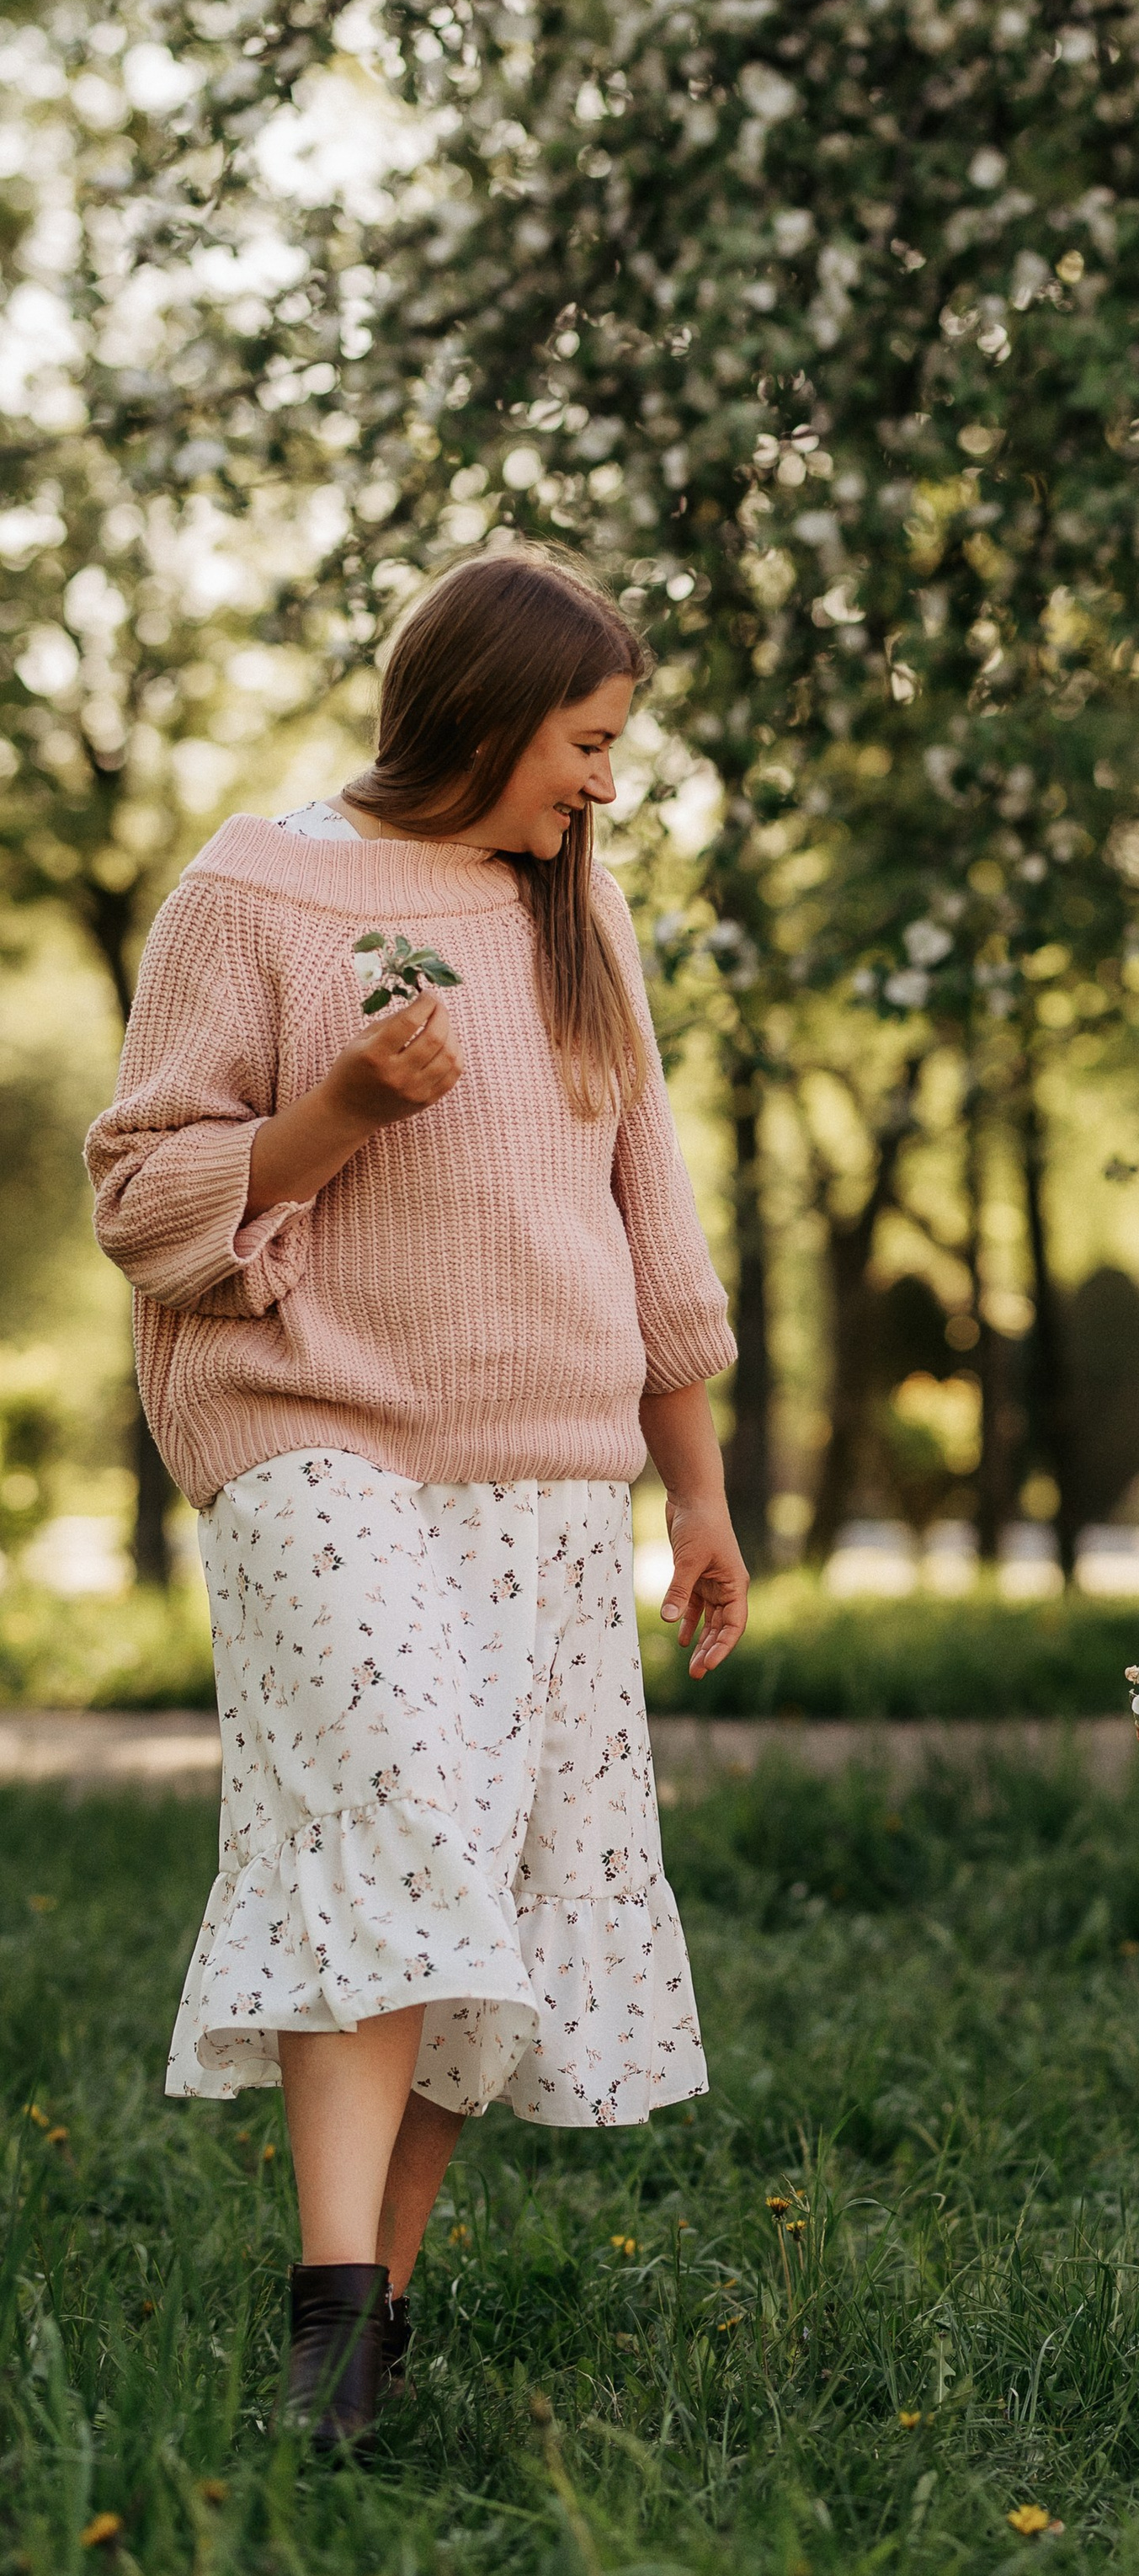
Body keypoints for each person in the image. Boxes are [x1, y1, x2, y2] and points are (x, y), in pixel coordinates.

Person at [85, 545, 749, 2453]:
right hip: (311, 1433)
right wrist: (341, 1114)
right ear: (480, 710)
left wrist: (693, 1493)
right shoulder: (254, 888)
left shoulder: (572, 916)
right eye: (586, 740)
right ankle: (324, 2303)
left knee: (500, 1874)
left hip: (548, 1464)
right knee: (388, 1816)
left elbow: (654, 1223)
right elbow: (143, 1197)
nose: (604, 783)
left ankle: (371, 2320)